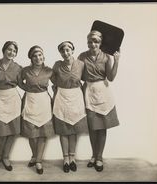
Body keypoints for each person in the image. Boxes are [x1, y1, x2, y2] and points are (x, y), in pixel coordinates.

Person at [78, 30, 120, 172]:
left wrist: (117, 60)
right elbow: (77, 76)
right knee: (92, 127)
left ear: (100, 43)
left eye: (96, 41)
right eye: (90, 41)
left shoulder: (107, 57)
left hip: (103, 91)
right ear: (87, 42)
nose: (93, 44)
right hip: (88, 92)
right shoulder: (82, 57)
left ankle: (99, 157)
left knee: (102, 126)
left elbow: (111, 77)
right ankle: (94, 155)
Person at [51, 41, 88, 173]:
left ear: (72, 50)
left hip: (76, 97)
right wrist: (58, 85)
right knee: (63, 129)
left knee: (74, 128)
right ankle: (65, 158)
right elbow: (52, 78)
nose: (65, 53)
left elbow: (84, 79)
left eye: (68, 50)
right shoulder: (57, 65)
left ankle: (72, 157)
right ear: (60, 52)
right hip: (62, 96)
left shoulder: (81, 64)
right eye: (62, 51)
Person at [18, 45, 55, 175]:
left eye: (40, 55)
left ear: (43, 56)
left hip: (44, 102)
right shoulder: (25, 70)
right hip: (30, 101)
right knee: (31, 132)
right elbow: (19, 82)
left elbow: (57, 83)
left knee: (42, 132)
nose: (38, 57)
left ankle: (38, 160)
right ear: (31, 58)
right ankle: (35, 155)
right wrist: (28, 89)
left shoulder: (49, 70)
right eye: (35, 55)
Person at [0, 41, 22, 171]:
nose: (11, 52)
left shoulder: (18, 67)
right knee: (0, 132)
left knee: (12, 131)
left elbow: (21, 84)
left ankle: (5, 156)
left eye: (14, 51)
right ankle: (0, 153)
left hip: (13, 99)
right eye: (9, 49)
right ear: (4, 50)